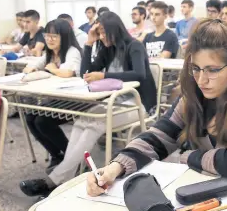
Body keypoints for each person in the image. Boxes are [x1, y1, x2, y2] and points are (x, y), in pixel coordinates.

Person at [86, 19, 227, 200]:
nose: (201, 79)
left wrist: (185, 156)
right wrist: (115, 167)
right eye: (195, 68)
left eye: (212, 70)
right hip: (220, 192)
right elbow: (157, 138)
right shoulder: (195, 96)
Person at [19, 12, 157, 197]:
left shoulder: (135, 46)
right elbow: (85, 72)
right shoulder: (107, 49)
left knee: (94, 123)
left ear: (114, 30)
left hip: (138, 104)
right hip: (115, 102)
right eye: (98, 33)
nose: (101, 37)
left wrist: (105, 75)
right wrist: (89, 43)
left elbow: (139, 75)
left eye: (103, 33)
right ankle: (67, 174)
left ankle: (54, 180)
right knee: (83, 120)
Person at [21, 19, 83, 173]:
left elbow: (68, 72)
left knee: (43, 121)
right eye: (47, 36)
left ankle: (73, 158)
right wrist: (34, 69)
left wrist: (51, 69)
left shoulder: (72, 51)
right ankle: (57, 155)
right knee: (30, 117)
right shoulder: (49, 53)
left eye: (54, 36)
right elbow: (32, 66)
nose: (49, 39)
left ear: (64, 36)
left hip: (75, 100)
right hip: (57, 98)